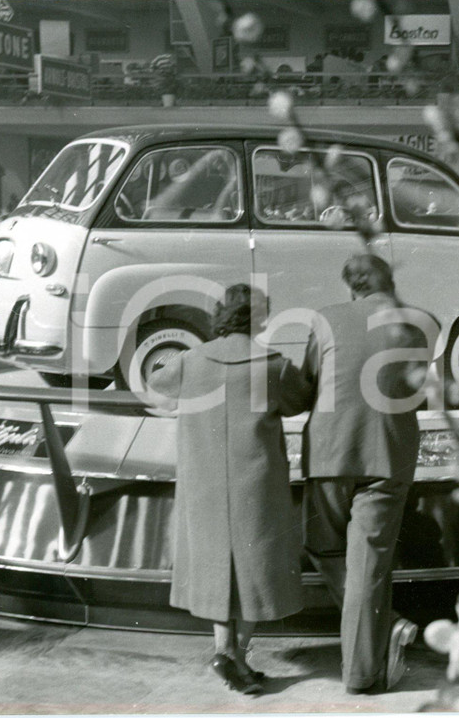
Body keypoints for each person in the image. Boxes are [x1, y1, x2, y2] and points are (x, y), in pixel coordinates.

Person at [148, 284, 310, 696]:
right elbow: (300, 399)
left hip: (203, 486)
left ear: (221, 315)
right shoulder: (272, 365)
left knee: (215, 572)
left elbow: (158, 384)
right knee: (259, 573)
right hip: (257, 485)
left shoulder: (190, 361)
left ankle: (226, 653)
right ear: (259, 318)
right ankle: (237, 654)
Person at [300, 254, 436, 695]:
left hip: (329, 453)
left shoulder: (325, 319)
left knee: (321, 546)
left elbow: (309, 384)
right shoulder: (415, 325)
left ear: (349, 287)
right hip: (388, 452)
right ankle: (363, 671)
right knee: (369, 564)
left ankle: (387, 632)